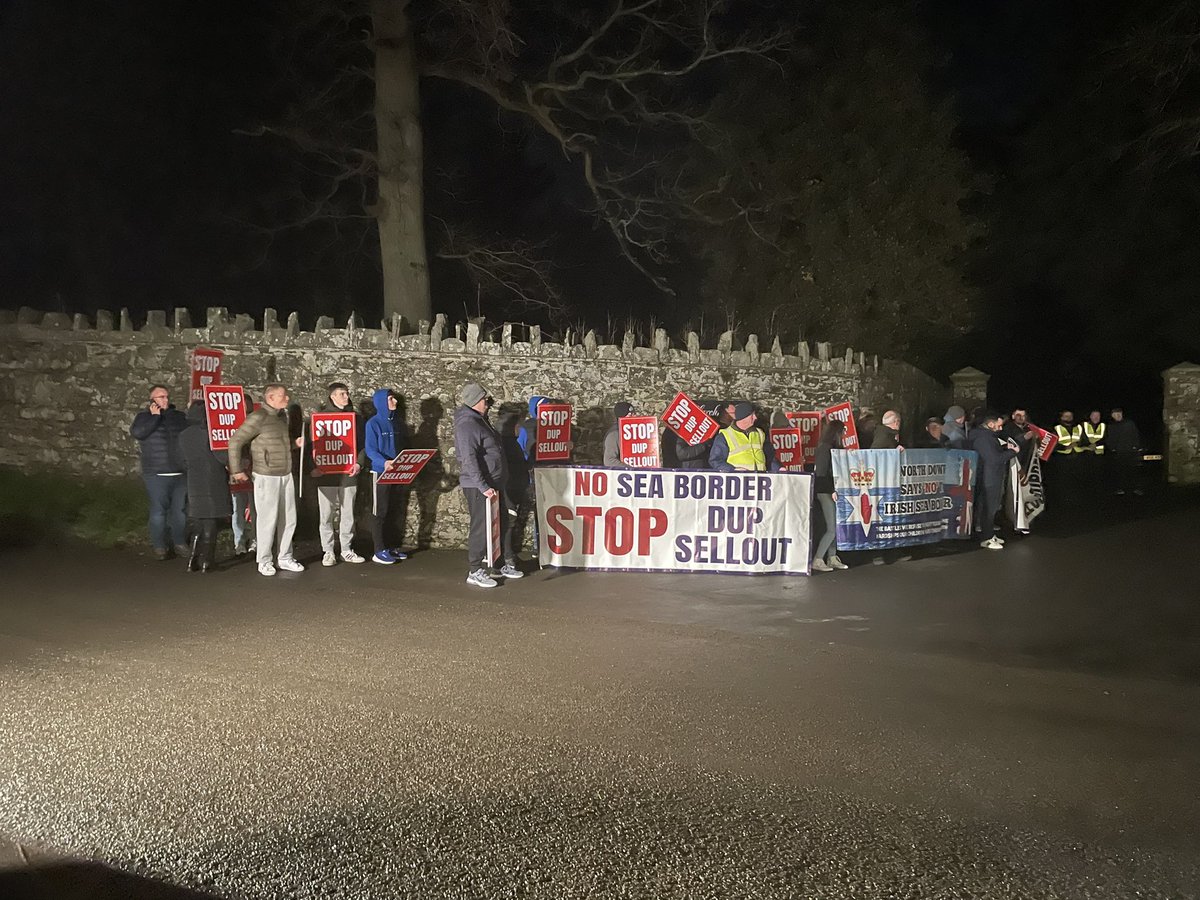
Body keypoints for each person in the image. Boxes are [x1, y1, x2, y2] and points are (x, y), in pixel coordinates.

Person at [227, 383, 305, 576]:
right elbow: (235, 441)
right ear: (270, 398)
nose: (287, 399)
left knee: (289, 519)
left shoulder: (280, 418)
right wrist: (236, 470)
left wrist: (294, 444)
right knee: (267, 519)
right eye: (283, 396)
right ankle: (264, 560)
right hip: (265, 475)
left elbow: (278, 444)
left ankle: (285, 557)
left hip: (285, 473)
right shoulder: (257, 417)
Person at [454, 382, 521, 587]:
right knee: (481, 527)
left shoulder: (480, 421)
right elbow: (469, 459)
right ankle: (475, 570)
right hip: (479, 486)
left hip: (493, 483)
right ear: (475, 401)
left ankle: (497, 565)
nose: (488, 403)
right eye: (484, 399)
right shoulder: (468, 425)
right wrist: (483, 486)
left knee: (499, 525)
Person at [130, 384, 190, 560]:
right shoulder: (143, 418)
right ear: (152, 401)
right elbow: (139, 433)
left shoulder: (178, 417)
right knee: (159, 511)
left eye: (166, 397)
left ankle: (179, 542)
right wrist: (154, 418)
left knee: (179, 511)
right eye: (160, 397)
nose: (165, 400)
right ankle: (159, 546)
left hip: (179, 472)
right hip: (156, 473)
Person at [312, 382, 366, 567]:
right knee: (325, 514)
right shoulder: (320, 418)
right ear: (332, 397)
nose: (346, 397)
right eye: (342, 394)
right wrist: (315, 466)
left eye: (347, 393)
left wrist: (359, 463)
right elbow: (314, 445)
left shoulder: (356, 419)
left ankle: (346, 549)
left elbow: (362, 445)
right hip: (327, 474)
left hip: (348, 473)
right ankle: (328, 551)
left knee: (348, 513)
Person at [178, 402, 232, 573]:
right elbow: (221, 457)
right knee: (210, 522)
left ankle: (193, 560)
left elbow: (181, 458)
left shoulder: (184, 434)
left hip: (194, 480)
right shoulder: (211, 433)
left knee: (200, 521)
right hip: (212, 479)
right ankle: (207, 561)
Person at [364, 388, 409, 565]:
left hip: (395, 472)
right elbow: (370, 449)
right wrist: (383, 462)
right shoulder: (372, 424)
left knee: (393, 510)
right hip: (380, 472)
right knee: (379, 511)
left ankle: (390, 546)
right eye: (391, 399)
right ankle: (378, 549)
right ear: (382, 402)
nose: (395, 402)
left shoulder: (396, 423)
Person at [969, 411, 1019, 550]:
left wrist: (1003, 448)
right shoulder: (984, 438)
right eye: (999, 425)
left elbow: (991, 453)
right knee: (988, 508)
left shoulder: (985, 437)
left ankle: (989, 534)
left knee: (989, 508)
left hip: (988, 476)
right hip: (989, 478)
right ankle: (986, 538)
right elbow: (993, 459)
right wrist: (1012, 452)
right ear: (990, 424)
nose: (1001, 428)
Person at [810, 418, 849, 573]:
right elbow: (821, 473)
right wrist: (832, 490)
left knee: (835, 526)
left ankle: (832, 557)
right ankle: (818, 559)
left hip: (830, 490)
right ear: (837, 433)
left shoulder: (829, 447)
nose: (845, 434)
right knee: (832, 527)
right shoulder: (825, 449)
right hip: (825, 491)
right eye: (843, 431)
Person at [498, 409, 531, 566]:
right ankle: (507, 557)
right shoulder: (508, 445)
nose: (520, 429)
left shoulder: (509, 443)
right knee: (508, 522)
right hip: (509, 490)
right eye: (518, 426)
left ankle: (507, 555)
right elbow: (515, 467)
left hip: (513, 488)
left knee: (509, 522)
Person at [709, 402, 779, 472]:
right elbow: (716, 461)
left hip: (760, 480)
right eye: (752, 415)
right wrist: (733, 470)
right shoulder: (725, 436)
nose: (755, 418)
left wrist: (779, 468)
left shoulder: (760, 433)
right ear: (744, 417)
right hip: (739, 481)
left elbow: (770, 457)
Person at [230, 390, 256, 556]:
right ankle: (239, 542)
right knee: (237, 509)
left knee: (255, 509)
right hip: (236, 470)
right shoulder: (230, 423)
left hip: (254, 469)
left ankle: (255, 539)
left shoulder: (256, 422)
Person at [669, 400, 721, 470]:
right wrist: (704, 445)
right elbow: (682, 454)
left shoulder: (709, 429)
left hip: (706, 468)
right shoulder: (683, 430)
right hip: (691, 469)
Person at [1107, 407, 1143, 495]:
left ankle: (1135, 488)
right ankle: (1121, 488)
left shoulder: (1129, 423)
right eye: (1115, 414)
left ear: (1122, 414)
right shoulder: (1111, 426)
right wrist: (1112, 448)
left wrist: (1136, 446)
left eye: (1119, 413)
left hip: (1131, 451)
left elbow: (1136, 435)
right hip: (1119, 452)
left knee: (1133, 470)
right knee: (1120, 471)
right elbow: (1109, 438)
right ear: (1112, 416)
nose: (1117, 415)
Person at [603, 401, 634, 467]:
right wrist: (632, 469)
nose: (634, 417)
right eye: (630, 415)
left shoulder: (635, 432)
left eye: (634, 414)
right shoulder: (614, 434)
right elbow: (609, 461)